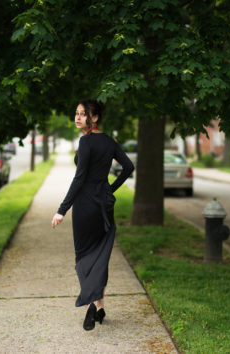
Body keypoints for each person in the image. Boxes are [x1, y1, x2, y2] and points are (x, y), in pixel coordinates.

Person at [51, 99, 134, 331]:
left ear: (94, 118)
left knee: (84, 256)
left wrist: (61, 209)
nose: (77, 118)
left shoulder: (86, 142)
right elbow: (128, 167)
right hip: (104, 205)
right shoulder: (109, 141)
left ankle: (89, 303)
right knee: (100, 255)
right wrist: (110, 188)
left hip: (86, 205)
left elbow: (79, 179)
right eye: (76, 113)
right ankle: (100, 307)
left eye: (83, 114)